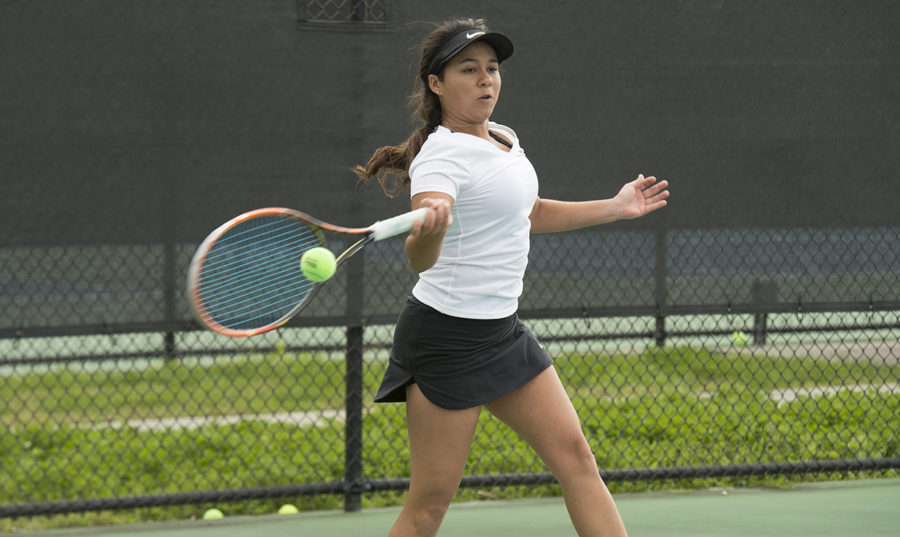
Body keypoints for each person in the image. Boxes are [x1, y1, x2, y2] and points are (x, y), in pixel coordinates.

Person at [354, 17, 669, 537]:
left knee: (576, 459)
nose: (486, 80)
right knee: (429, 506)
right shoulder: (440, 156)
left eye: (492, 69)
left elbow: (529, 213)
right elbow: (419, 257)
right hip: (446, 338)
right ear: (436, 83)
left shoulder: (503, 137)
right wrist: (432, 228)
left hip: (501, 331)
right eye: (469, 69)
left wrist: (615, 208)